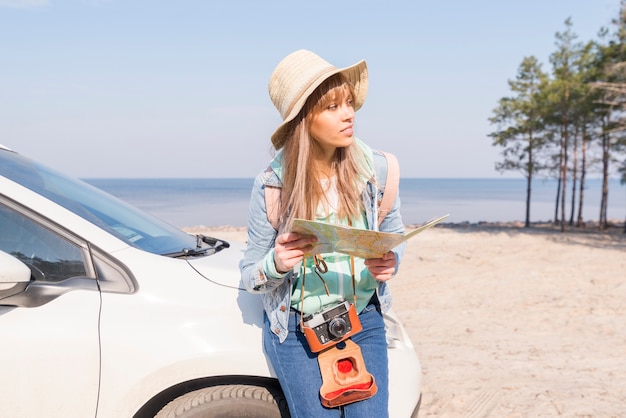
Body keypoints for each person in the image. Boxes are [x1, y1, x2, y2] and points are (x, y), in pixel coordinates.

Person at [240, 49, 405, 418]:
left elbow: (395, 235)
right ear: (304, 119)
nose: (348, 114)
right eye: (332, 107)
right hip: (296, 330)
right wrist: (277, 263)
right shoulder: (272, 184)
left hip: (362, 318)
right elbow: (251, 275)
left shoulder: (378, 170)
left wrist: (390, 263)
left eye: (348, 102)